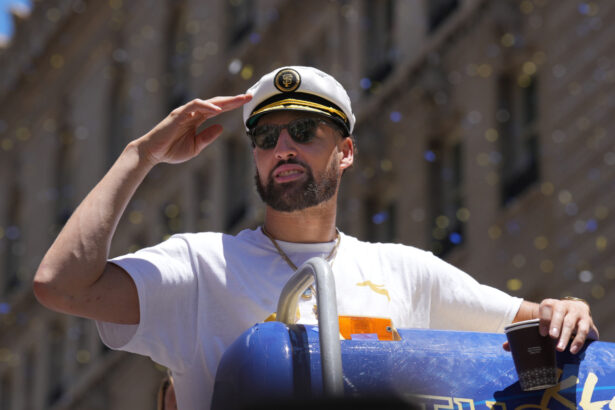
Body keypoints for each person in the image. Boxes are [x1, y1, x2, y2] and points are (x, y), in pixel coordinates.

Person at [33, 66, 599, 409]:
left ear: (345, 151)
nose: (282, 149)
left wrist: (567, 308)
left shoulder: (407, 271)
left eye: (304, 132)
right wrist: (140, 156)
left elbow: (537, 324)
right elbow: (62, 285)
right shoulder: (200, 266)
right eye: (266, 138)